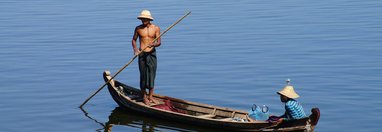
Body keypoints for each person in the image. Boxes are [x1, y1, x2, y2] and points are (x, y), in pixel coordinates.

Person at [131, 10, 161, 105]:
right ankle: (144, 97)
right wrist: (136, 50)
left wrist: (154, 44)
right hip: (142, 54)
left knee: (152, 74)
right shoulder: (138, 29)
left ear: (149, 19)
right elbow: (134, 40)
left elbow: (159, 42)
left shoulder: (156, 28)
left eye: (145, 19)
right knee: (143, 75)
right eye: (142, 19)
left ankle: (151, 97)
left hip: (152, 54)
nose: (143, 20)